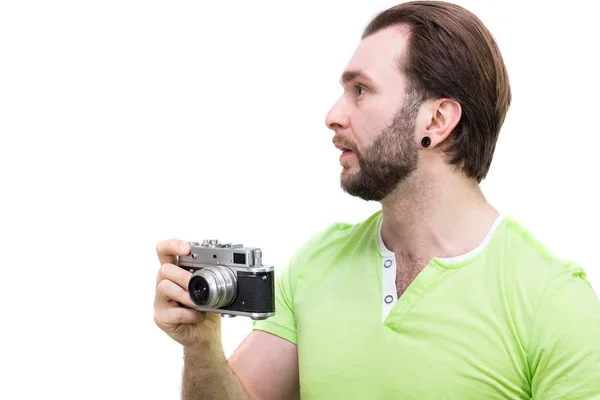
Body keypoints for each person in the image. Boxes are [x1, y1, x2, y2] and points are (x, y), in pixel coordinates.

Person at [153, 1, 600, 399]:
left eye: (361, 90)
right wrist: (202, 348)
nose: (332, 115)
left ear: (437, 118)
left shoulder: (554, 301)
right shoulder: (316, 263)